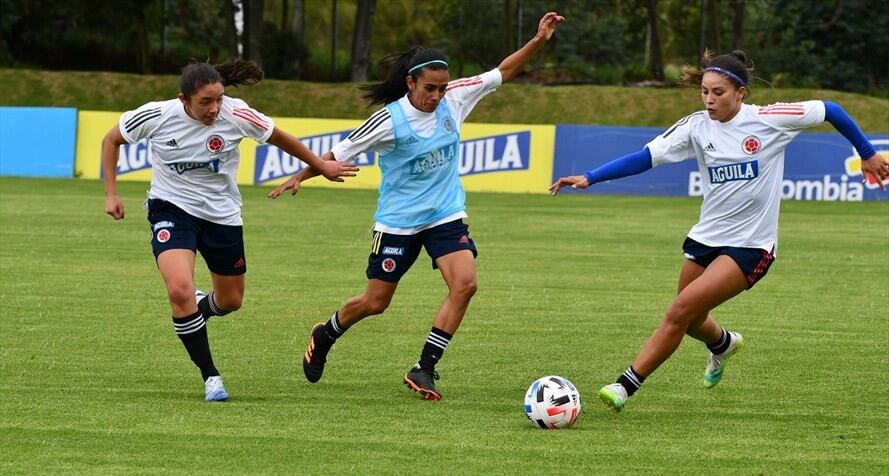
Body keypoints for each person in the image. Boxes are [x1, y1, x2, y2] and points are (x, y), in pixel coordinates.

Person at [549, 50, 889, 412]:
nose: (709, 100)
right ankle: (723, 345)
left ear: (741, 92)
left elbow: (831, 109)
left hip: (752, 246)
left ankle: (624, 386)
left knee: (679, 310)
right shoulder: (696, 126)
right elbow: (646, 156)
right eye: (705, 92)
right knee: (691, 320)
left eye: (719, 93)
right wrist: (591, 177)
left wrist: (867, 152)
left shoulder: (770, 120)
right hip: (705, 237)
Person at [269, 12, 566, 400]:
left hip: (445, 214)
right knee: (376, 302)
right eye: (430, 88)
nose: (438, 96)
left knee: (466, 284)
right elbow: (337, 151)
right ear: (410, 83)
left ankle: (424, 367)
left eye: (442, 88)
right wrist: (303, 175)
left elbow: (502, 72)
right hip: (398, 222)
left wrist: (538, 39)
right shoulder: (387, 121)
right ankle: (325, 333)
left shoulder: (455, 97)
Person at [102, 59, 357, 402]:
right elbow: (111, 139)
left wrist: (321, 165)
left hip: (222, 216)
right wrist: (111, 194)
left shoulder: (237, 115)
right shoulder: (157, 115)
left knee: (231, 301)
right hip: (171, 208)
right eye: (205, 102)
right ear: (184, 100)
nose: (214, 108)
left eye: (218, 99)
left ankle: (197, 312)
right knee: (179, 289)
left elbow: (281, 137)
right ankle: (211, 377)